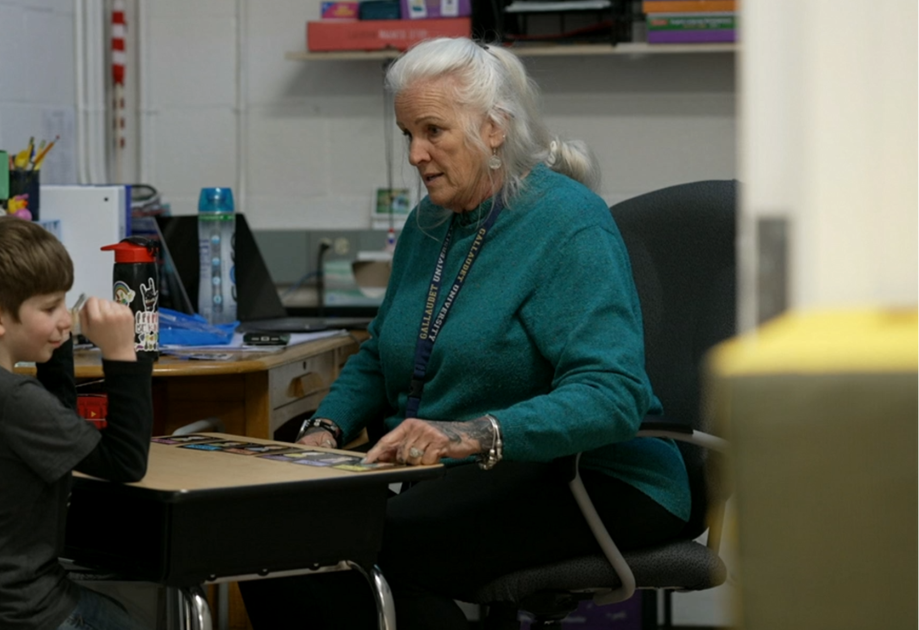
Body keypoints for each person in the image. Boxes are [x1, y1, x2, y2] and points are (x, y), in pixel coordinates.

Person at [240, 38, 691, 629]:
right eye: (408, 134)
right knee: (259, 533)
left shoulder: (568, 223)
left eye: (433, 131)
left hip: (595, 477)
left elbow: (614, 394)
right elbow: (380, 352)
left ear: (494, 129)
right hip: (465, 477)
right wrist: (325, 430)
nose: (415, 154)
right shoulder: (431, 220)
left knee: (348, 553)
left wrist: (474, 434)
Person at [0, 216, 153, 630]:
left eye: (64, 302)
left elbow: (53, 423)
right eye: (49, 307)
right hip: (19, 606)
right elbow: (126, 461)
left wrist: (57, 341)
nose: (65, 317)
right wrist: (120, 354)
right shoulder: (11, 399)